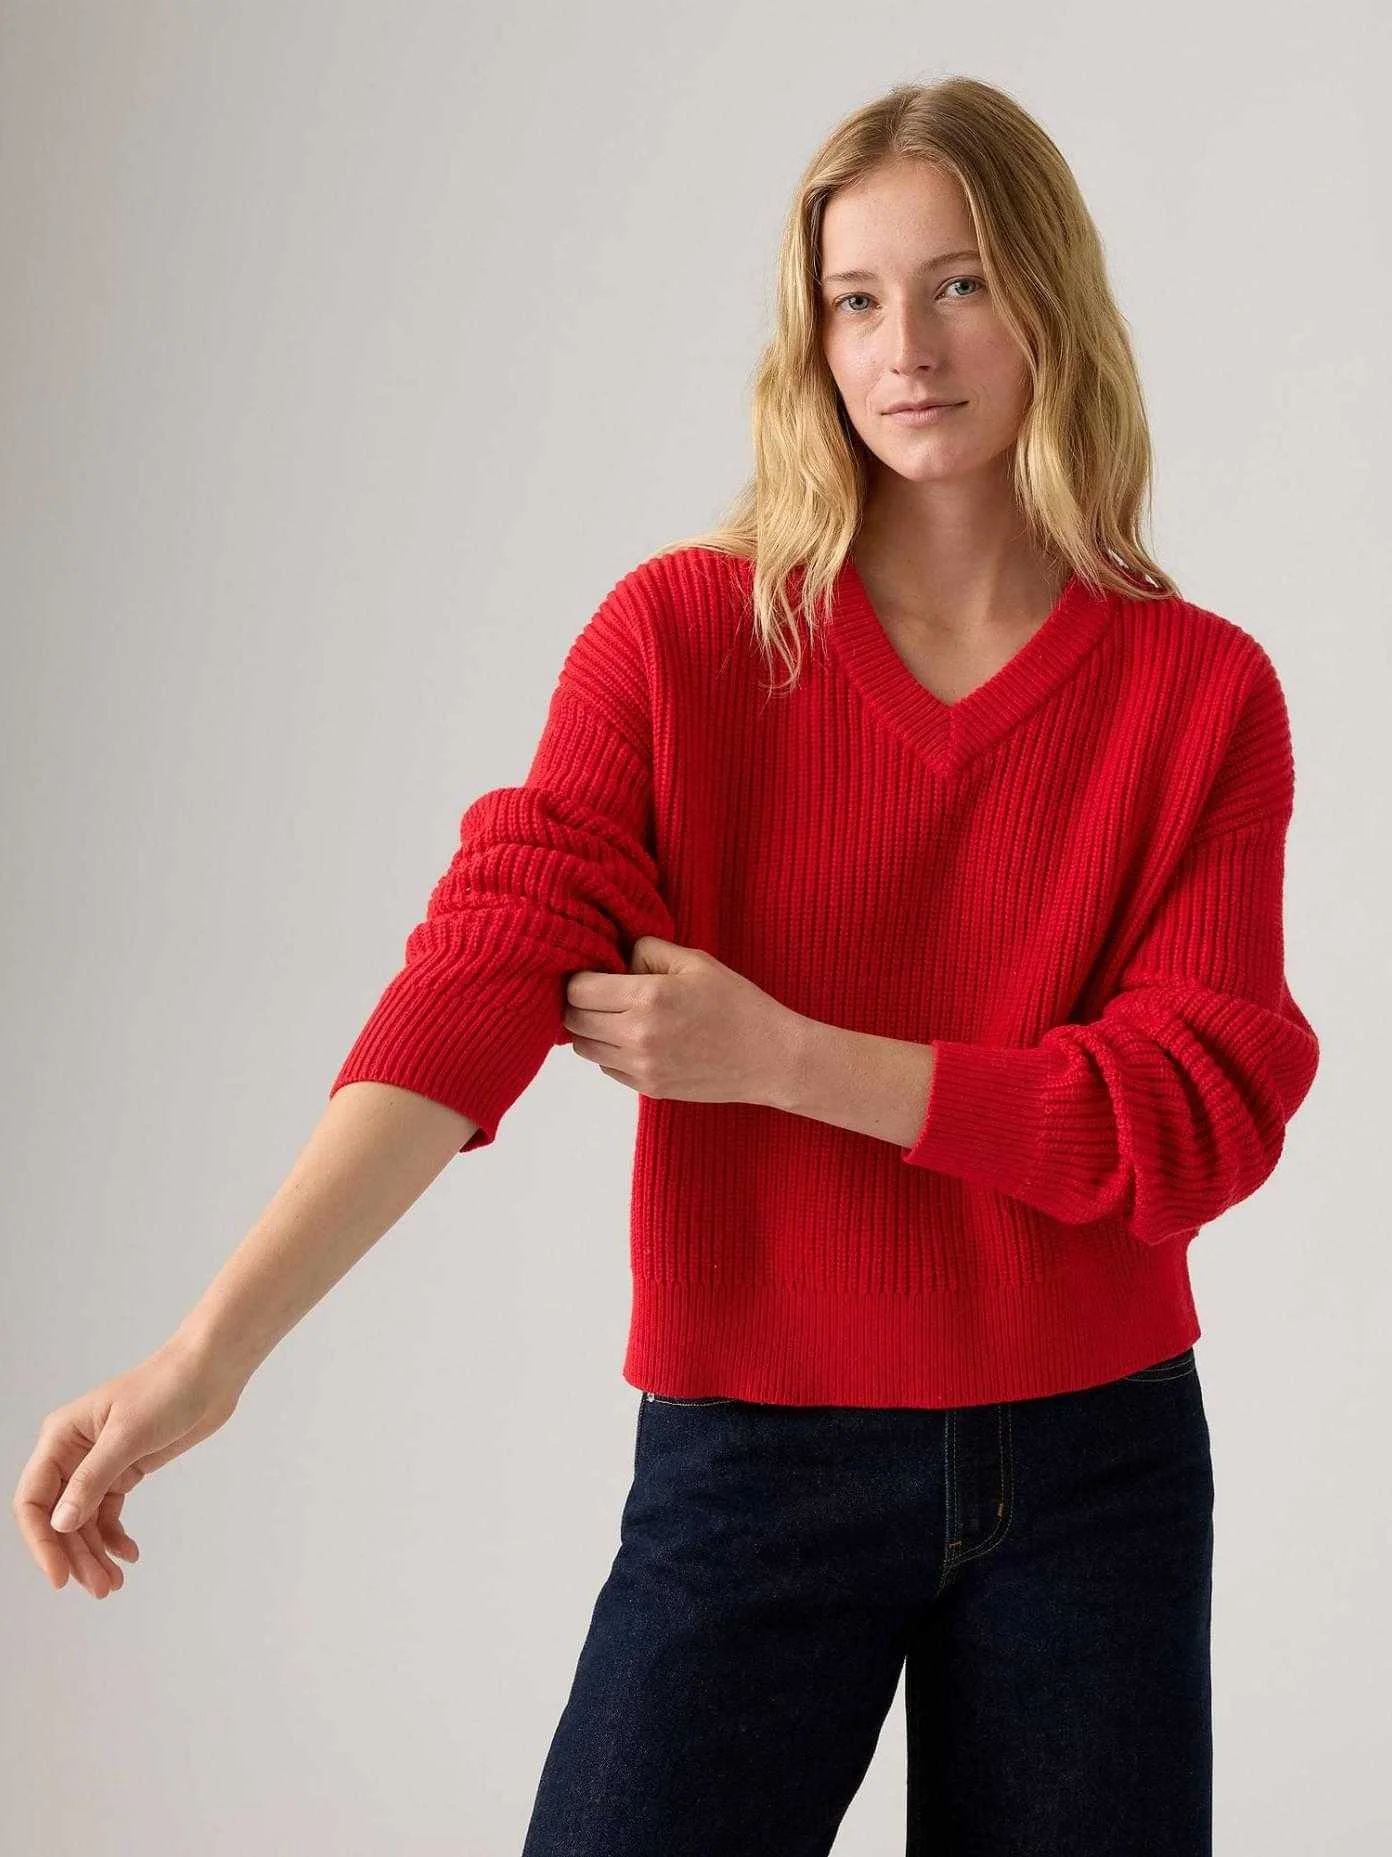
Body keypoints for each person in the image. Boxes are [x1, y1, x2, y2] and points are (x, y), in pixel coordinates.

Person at [14, 76, 1320, 1857]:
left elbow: (1195, 1115)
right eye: (855, 299)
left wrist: (790, 1059)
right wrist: (207, 1354)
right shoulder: (682, 643)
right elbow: (476, 983)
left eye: (960, 284)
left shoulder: (1201, 689)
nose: (907, 347)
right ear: (811, 336)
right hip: (757, 1458)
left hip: (1100, 1460)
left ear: (1052, 303)